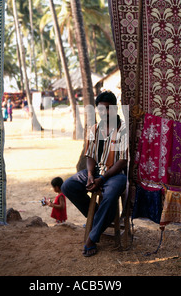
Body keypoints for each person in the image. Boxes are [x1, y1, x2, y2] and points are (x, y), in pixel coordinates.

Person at [61, 91, 128, 257]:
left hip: (115, 174)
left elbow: (122, 161)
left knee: (111, 194)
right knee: (68, 186)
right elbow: (90, 155)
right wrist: (91, 174)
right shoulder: (94, 129)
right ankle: (102, 217)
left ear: (114, 109)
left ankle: (92, 238)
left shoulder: (123, 129)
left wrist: (102, 178)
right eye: (100, 109)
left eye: (107, 109)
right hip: (97, 171)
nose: (104, 112)